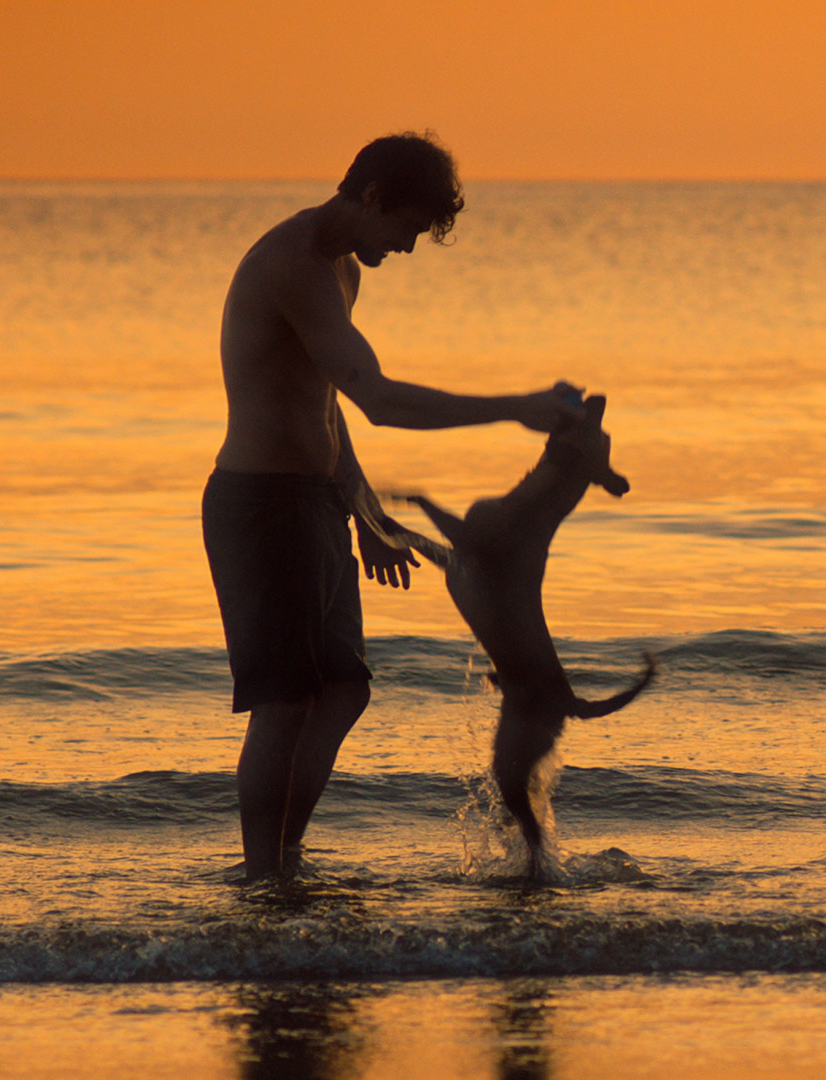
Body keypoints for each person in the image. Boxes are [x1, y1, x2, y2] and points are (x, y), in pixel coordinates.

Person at [201, 132, 581, 880]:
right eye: (407, 227)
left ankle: (283, 861)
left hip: (318, 501)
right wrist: (517, 407)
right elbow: (376, 400)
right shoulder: (294, 266)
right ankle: (263, 877)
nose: (408, 247)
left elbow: (326, 405)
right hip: (261, 505)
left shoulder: (344, 268)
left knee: (343, 691)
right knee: (285, 701)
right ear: (372, 197)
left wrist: (363, 508)